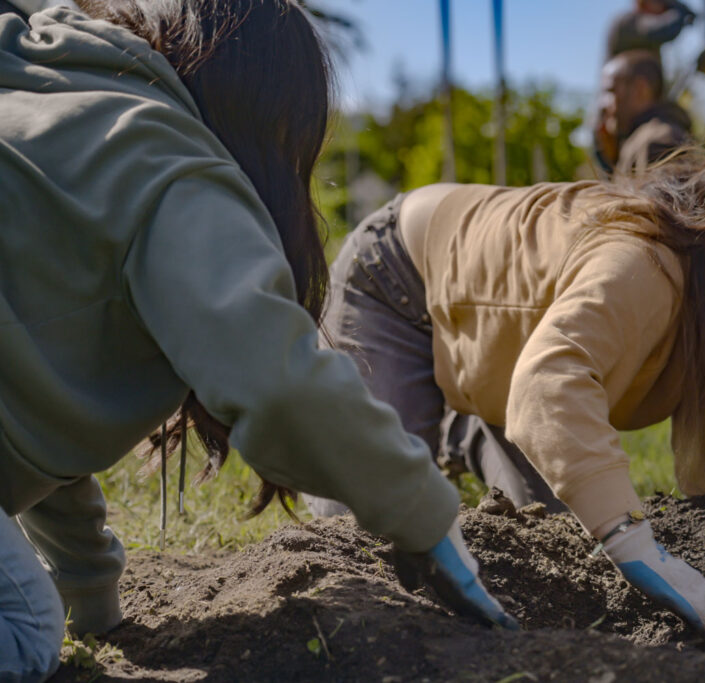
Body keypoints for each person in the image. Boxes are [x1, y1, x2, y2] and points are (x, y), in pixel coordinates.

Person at [0, 0, 516, 679]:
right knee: (25, 628)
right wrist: (427, 513)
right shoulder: (163, 160)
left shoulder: (54, 84)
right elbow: (278, 379)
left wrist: (93, 601)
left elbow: (33, 393)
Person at [303, 105, 705, 648]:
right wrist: (635, 543)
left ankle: (472, 426)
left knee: (561, 547)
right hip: (402, 278)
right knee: (370, 541)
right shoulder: (645, 260)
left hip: (526, 357)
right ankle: (457, 428)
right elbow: (548, 385)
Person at [594, 48, 692, 176]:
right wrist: (613, 158)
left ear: (640, 89)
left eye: (611, 91)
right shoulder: (644, 140)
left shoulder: (657, 143)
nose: (603, 104)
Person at [606, 0, 697, 66]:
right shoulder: (629, 21)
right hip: (622, 90)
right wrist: (679, 10)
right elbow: (664, 31)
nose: (664, 7)